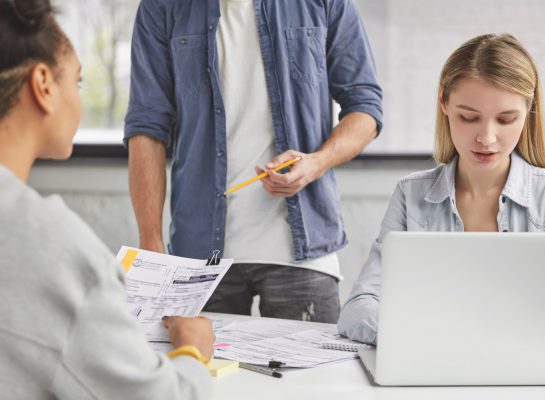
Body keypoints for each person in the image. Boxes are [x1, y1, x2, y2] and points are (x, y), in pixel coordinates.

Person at [0, 1, 216, 398]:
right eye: (78, 82)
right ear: (43, 85)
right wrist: (192, 350)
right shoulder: (54, 250)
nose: (79, 99)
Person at [125, 0, 383, 322]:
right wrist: (151, 241)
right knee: (198, 370)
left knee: (311, 374)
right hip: (199, 255)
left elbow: (365, 107)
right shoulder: (162, 7)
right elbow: (147, 126)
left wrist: (315, 162)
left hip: (303, 254)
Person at [337, 33, 545, 345]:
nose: (486, 138)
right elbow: (358, 309)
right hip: (434, 373)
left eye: (506, 119)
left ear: (529, 113)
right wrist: (427, 339)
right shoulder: (411, 196)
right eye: (469, 117)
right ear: (444, 103)